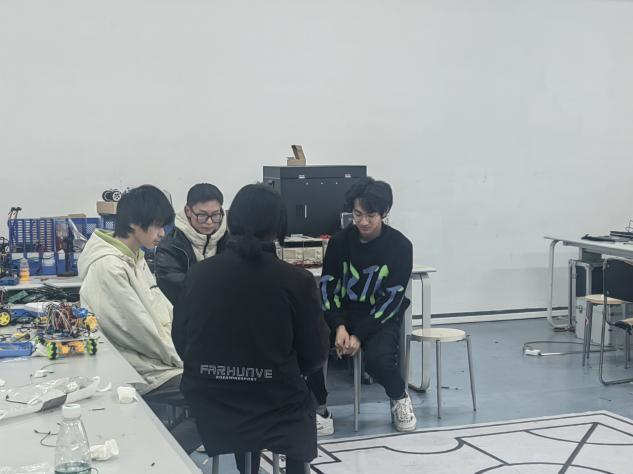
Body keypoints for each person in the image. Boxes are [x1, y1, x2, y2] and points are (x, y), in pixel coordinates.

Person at [174, 183, 329, 474]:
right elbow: (315, 354)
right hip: (276, 401)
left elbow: (182, 341)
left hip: (211, 400)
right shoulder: (297, 281)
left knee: (248, 417)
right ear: (279, 226)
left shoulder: (198, 275)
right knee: (303, 405)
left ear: (232, 221)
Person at [78, 185, 201, 453]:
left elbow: (164, 313)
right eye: (157, 226)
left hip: (158, 360)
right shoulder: (109, 267)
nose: (162, 234)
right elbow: (140, 332)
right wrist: (187, 361)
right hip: (139, 369)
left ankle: (163, 455)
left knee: (218, 393)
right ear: (134, 224)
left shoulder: (135, 258)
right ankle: (164, 461)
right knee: (215, 399)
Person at [307, 176, 416, 435]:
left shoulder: (400, 246)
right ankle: (319, 409)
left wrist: (359, 335)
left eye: (371, 215)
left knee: (379, 359)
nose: (363, 222)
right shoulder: (339, 242)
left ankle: (399, 397)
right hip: (343, 313)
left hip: (380, 317)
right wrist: (339, 326)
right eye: (357, 214)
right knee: (308, 347)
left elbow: (392, 298)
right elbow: (329, 287)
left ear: (385, 213)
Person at [155, 183, 228, 305]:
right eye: (202, 215)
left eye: (215, 215)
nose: (209, 222)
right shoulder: (170, 245)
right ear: (188, 211)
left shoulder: (230, 241)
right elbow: (174, 289)